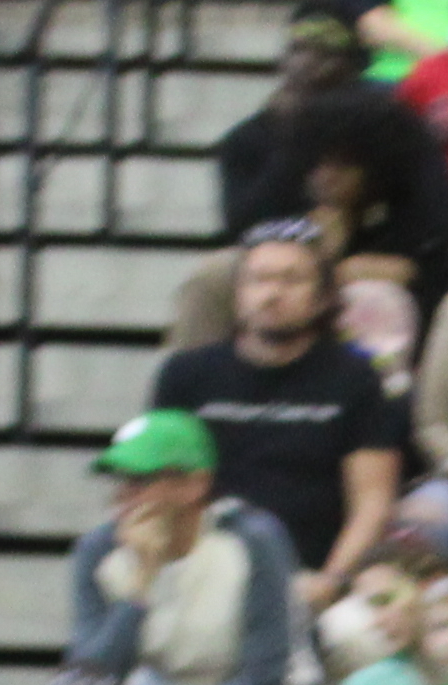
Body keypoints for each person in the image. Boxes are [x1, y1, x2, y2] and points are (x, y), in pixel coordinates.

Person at [67, 411, 312, 685]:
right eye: (121, 482)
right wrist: (140, 586)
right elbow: (91, 680)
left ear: (194, 485)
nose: (123, 497)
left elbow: (265, 682)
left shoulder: (253, 541)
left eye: (141, 481)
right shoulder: (97, 551)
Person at [157, 231, 409, 608]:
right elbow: (156, 487)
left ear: (322, 297)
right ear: (237, 294)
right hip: (206, 573)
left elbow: (372, 502)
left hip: (313, 575)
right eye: (258, 280)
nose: (272, 294)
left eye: (292, 280)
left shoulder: (355, 378)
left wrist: (331, 581)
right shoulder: (186, 375)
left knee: (359, 635)